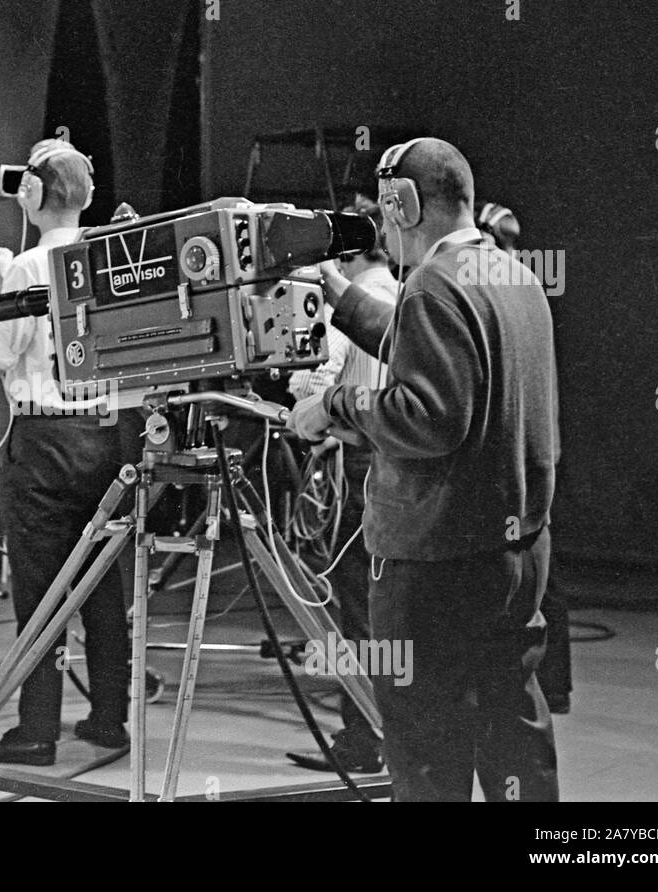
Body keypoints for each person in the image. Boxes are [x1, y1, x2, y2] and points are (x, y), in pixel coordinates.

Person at [289, 137, 560, 801]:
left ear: (401, 204)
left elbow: (429, 416)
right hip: (516, 551)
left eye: (385, 211)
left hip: (437, 563)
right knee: (512, 730)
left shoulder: (433, 286)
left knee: (428, 749)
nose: (382, 226)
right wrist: (345, 299)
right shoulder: (508, 274)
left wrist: (331, 405)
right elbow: (433, 347)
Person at [0, 139, 130, 766]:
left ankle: (38, 731)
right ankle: (109, 719)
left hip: (46, 441)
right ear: (89, 195)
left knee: (41, 588)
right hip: (108, 434)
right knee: (103, 586)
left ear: (31, 194)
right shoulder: (111, 257)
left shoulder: (26, 268)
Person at [284, 194, 398, 774]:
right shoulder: (396, 293)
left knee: (357, 613)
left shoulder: (361, 304)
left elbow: (327, 391)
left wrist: (309, 407)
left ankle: (364, 739)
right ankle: (375, 733)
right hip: (377, 466)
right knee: (371, 611)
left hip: (363, 469)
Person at [477, 199, 572, 714]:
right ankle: (553, 687)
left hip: (524, 451)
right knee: (544, 577)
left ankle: (545, 685)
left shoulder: (503, 288)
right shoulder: (527, 287)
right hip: (543, 449)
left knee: (535, 584)